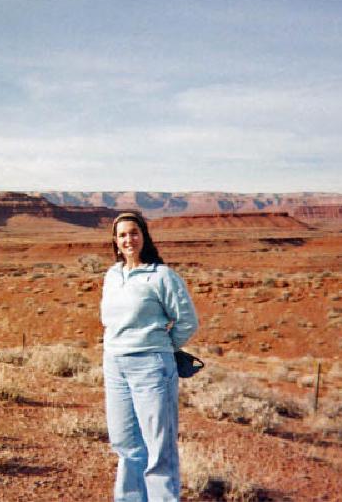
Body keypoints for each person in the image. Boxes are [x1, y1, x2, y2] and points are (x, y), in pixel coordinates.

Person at [100, 211, 199, 502]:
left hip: (151, 367)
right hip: (115, 365)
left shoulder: (161, 276)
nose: (128, 239)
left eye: (133, 233)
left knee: (159, 448)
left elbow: (187, 321)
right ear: (115, 243)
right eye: (122, 235)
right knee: (126, 443)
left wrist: (162, 346)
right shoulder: (112, 275)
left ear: (144, 236)